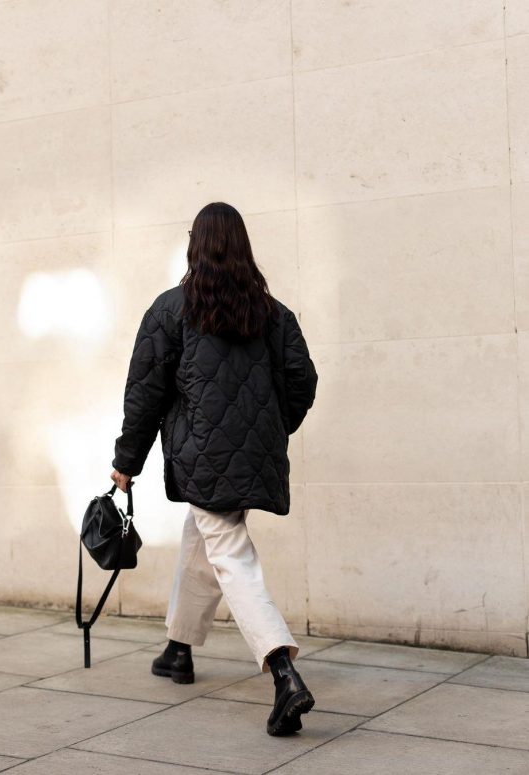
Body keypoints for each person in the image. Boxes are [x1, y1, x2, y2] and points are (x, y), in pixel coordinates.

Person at [110, 201, 318, 736]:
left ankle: (282, 670)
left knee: (228, 552)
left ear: (195, 245)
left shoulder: (170, 310)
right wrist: (268, 432)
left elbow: (145, 395)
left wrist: (124, 464)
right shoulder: (272, 314)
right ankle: (178, 649)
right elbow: (302, 381)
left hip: (202, 454)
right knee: (201, 540)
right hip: (250, 453)